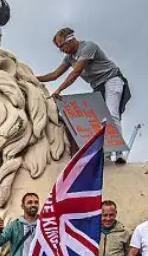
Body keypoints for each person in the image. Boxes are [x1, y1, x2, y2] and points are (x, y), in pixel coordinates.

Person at [35, 29, 131, 162]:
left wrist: (59, 90)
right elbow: (55, 75)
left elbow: (76, 72)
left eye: (62, 47)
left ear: (70, 40)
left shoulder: (88, 47)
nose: (62, 50)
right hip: (98, 86)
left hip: (111, 79)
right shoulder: (69, 58)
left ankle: (119, 153)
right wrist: (31, 77)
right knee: (98, 119)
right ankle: (107, 154)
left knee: (111, 114)